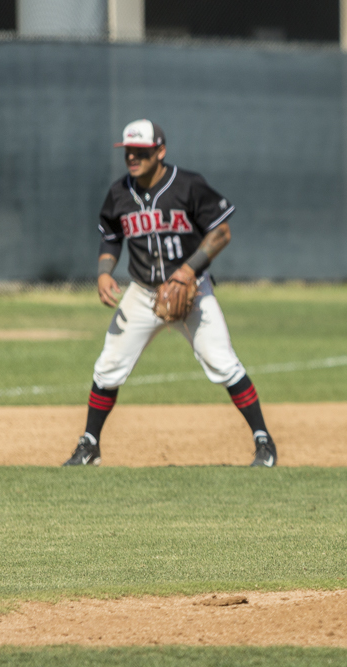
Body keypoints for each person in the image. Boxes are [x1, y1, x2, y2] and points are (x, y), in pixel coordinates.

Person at [63, 119, 278, 468]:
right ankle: (90, 445)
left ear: (160, 151)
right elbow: (111, 236)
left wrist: (188, 270)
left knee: (223, 363)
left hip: (192, 292)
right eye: (128, 151)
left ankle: (264, 442)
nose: (133, 157)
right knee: (108, 367)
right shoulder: (119, 193)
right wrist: (104, 273)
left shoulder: (189, 185)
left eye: (141, 151)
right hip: (143, 292)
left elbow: (221, 233)